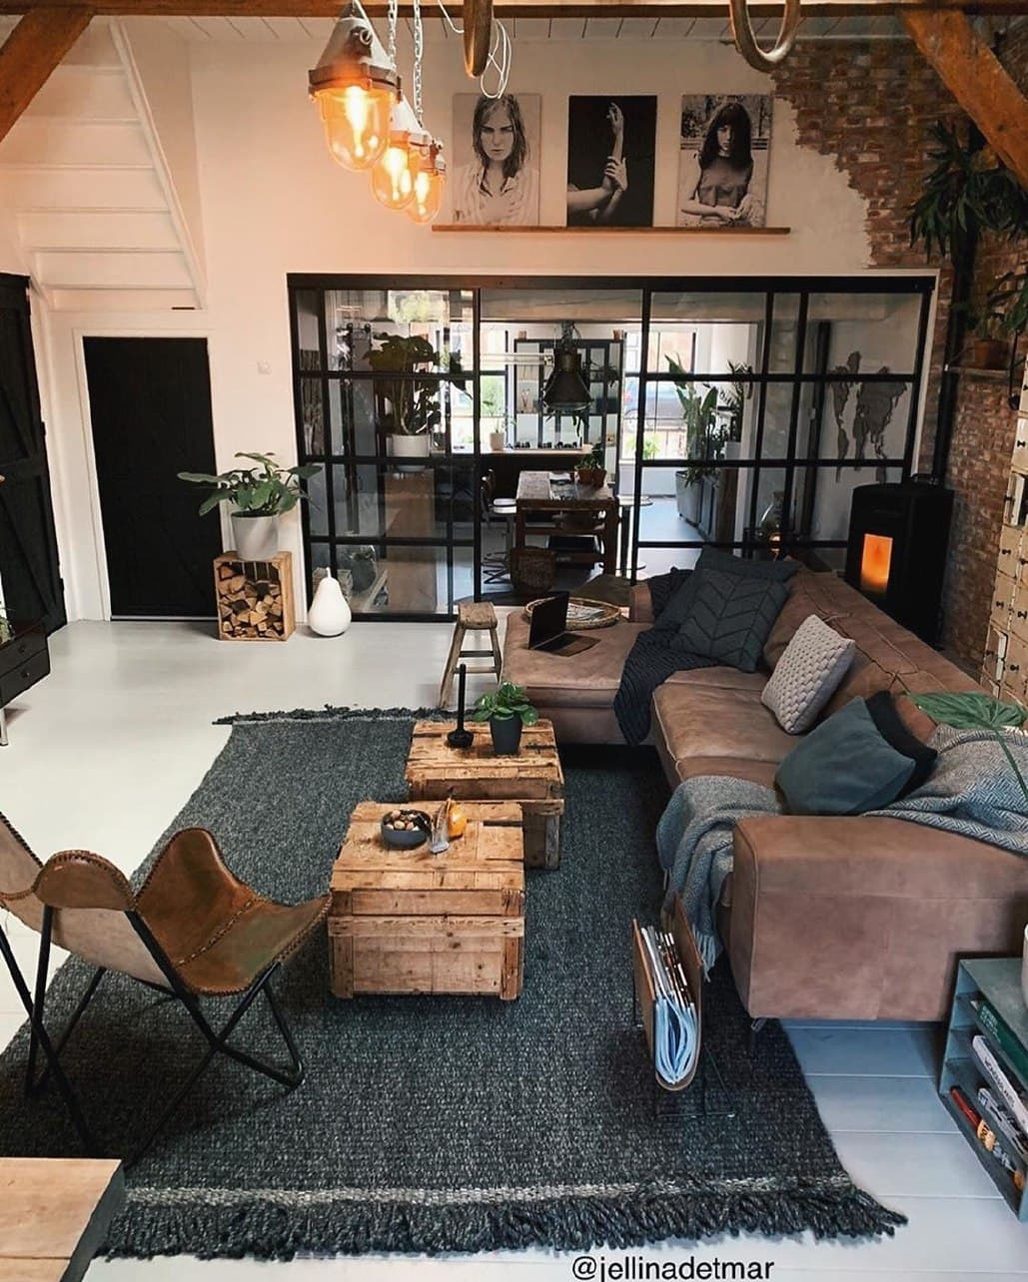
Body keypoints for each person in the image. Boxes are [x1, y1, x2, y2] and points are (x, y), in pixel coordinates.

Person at [452, 94, 539, 226]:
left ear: (516, 133)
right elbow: (444, 234)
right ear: (478, 134)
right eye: (488, 130)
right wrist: (485, 215)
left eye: (505, 130)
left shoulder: (536, 182)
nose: (496, 141)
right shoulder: (457, 179)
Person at [680, 100, 763, 227]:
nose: (729, 137)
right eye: (723, 130)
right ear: (715, 132)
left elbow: (753, 197)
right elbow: (685, 204)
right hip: (708, 231)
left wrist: (749, 199)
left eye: (734, 131)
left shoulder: (747, 163)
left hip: (739, 231)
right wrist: (716, 211)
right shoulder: (702, 159)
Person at [566, 101, 629, 225]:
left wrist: (619, 192)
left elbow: (598, 218)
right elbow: (605, 191)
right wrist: (619, 136)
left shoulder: (570, 189)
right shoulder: (557, 196)